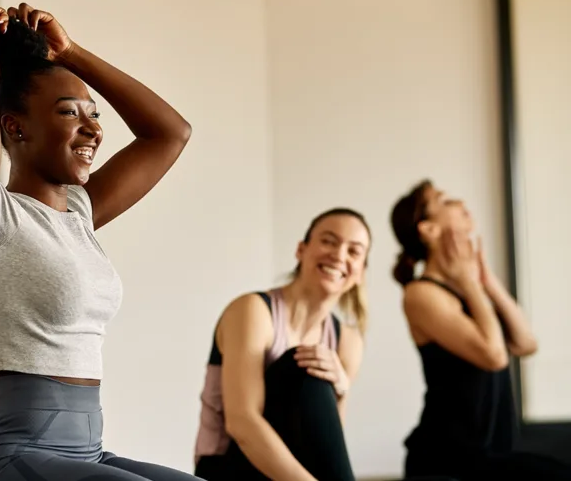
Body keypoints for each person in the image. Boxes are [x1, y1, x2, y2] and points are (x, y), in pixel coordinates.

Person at [0, 2, 195, 481]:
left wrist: (71, 52)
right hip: (11, 454)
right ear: (15, 127)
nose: (93, 129)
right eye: (69, 113)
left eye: (93, 115)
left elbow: (170, 134)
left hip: (86, 453)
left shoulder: (79, 214)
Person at [391, 179, 571, 480]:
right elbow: (494, 356)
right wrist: (470, 283)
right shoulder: (421, 293)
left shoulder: (469, 289)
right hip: (448, 460)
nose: (460, 203)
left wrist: (486, 281)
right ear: (428, 229)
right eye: (444, 200)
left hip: (492, 453)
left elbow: (526, 344)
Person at [193, 208, 371, 481]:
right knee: (303, 366)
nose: (339, 255)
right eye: (329, 241)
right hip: (228, 467)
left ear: (360, 272)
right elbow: (242, 423)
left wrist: (342, 390)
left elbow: (327, 443)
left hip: (295, 467)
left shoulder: (348, 340)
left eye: (354, 251)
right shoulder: (253, 310)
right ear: (301, 250)